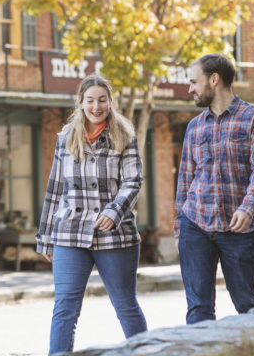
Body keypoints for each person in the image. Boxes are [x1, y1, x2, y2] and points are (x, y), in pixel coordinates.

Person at [37, 74, 147, 354]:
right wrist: (46, 237)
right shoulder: (66, 138)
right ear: (81, 103)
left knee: (125, 305)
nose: (96, 107)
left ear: (110, 102)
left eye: (102, 100)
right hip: (69, 232)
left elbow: (133, 181)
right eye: (90, 101)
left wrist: (114, 211)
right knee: (65, 309)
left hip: (113, 234)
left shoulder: (125, 135)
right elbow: (55, 188)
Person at [176, 53, 254, 324]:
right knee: (198, 310)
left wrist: (248, 207)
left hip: (238, 229)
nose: (190, 89)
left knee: (248, 304)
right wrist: (178, 227)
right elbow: (185, 179)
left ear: (214, 80)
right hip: (195, 225)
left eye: (195, 82)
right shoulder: (194, 127)